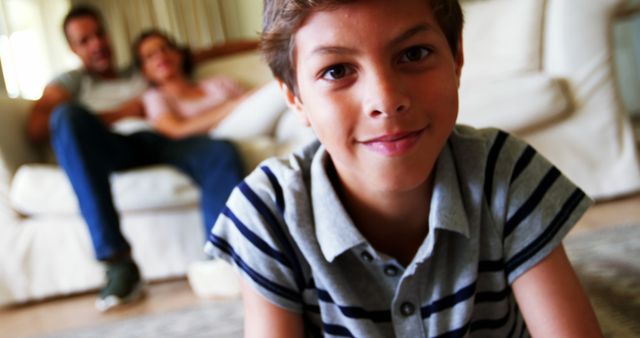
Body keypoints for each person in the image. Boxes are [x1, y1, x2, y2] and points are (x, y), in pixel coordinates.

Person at [204, 0, 603, 337]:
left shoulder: (505, 172)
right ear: (294, 96)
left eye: (413, 54)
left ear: (457, 58)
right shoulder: (267, 211)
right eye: (337, 71)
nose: (386, 99)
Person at [27, 6, 246, 312]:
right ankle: (118, 263)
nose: (97, 44)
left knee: (219, 150)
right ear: (72, 49)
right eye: (84, 40)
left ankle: (221, 257)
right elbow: (37, 127)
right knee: (67, 117)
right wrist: (119, 113)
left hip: (160, 141)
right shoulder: (72, 82)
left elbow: (208, 52)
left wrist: (266, 41)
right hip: (113, 147)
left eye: (100, 34)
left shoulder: (140, 67)